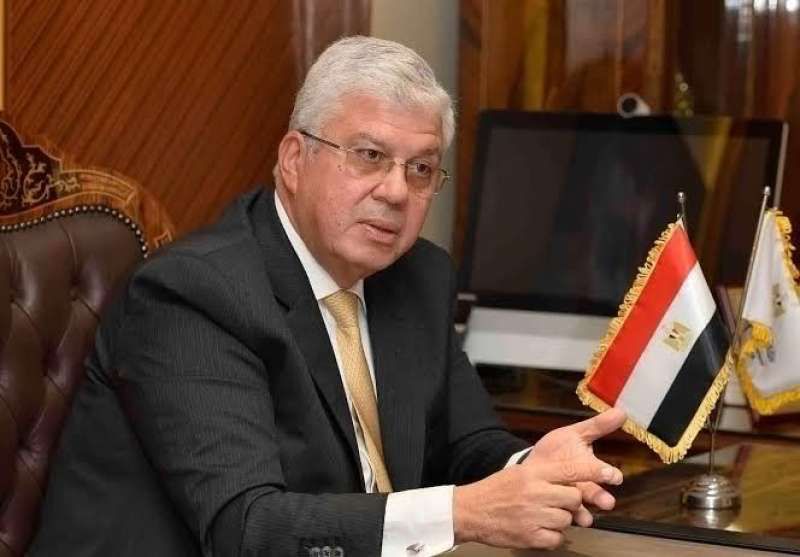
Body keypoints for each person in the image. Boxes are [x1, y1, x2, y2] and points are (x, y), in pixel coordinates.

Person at [31, 36, 626, 556]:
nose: (396, 191)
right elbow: (248, 529)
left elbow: (466, 442)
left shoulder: (417, 277)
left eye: (421, 169)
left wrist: (532, 470)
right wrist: (464, 513)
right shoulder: (193, 295)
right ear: (295, 159)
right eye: (370, 156)